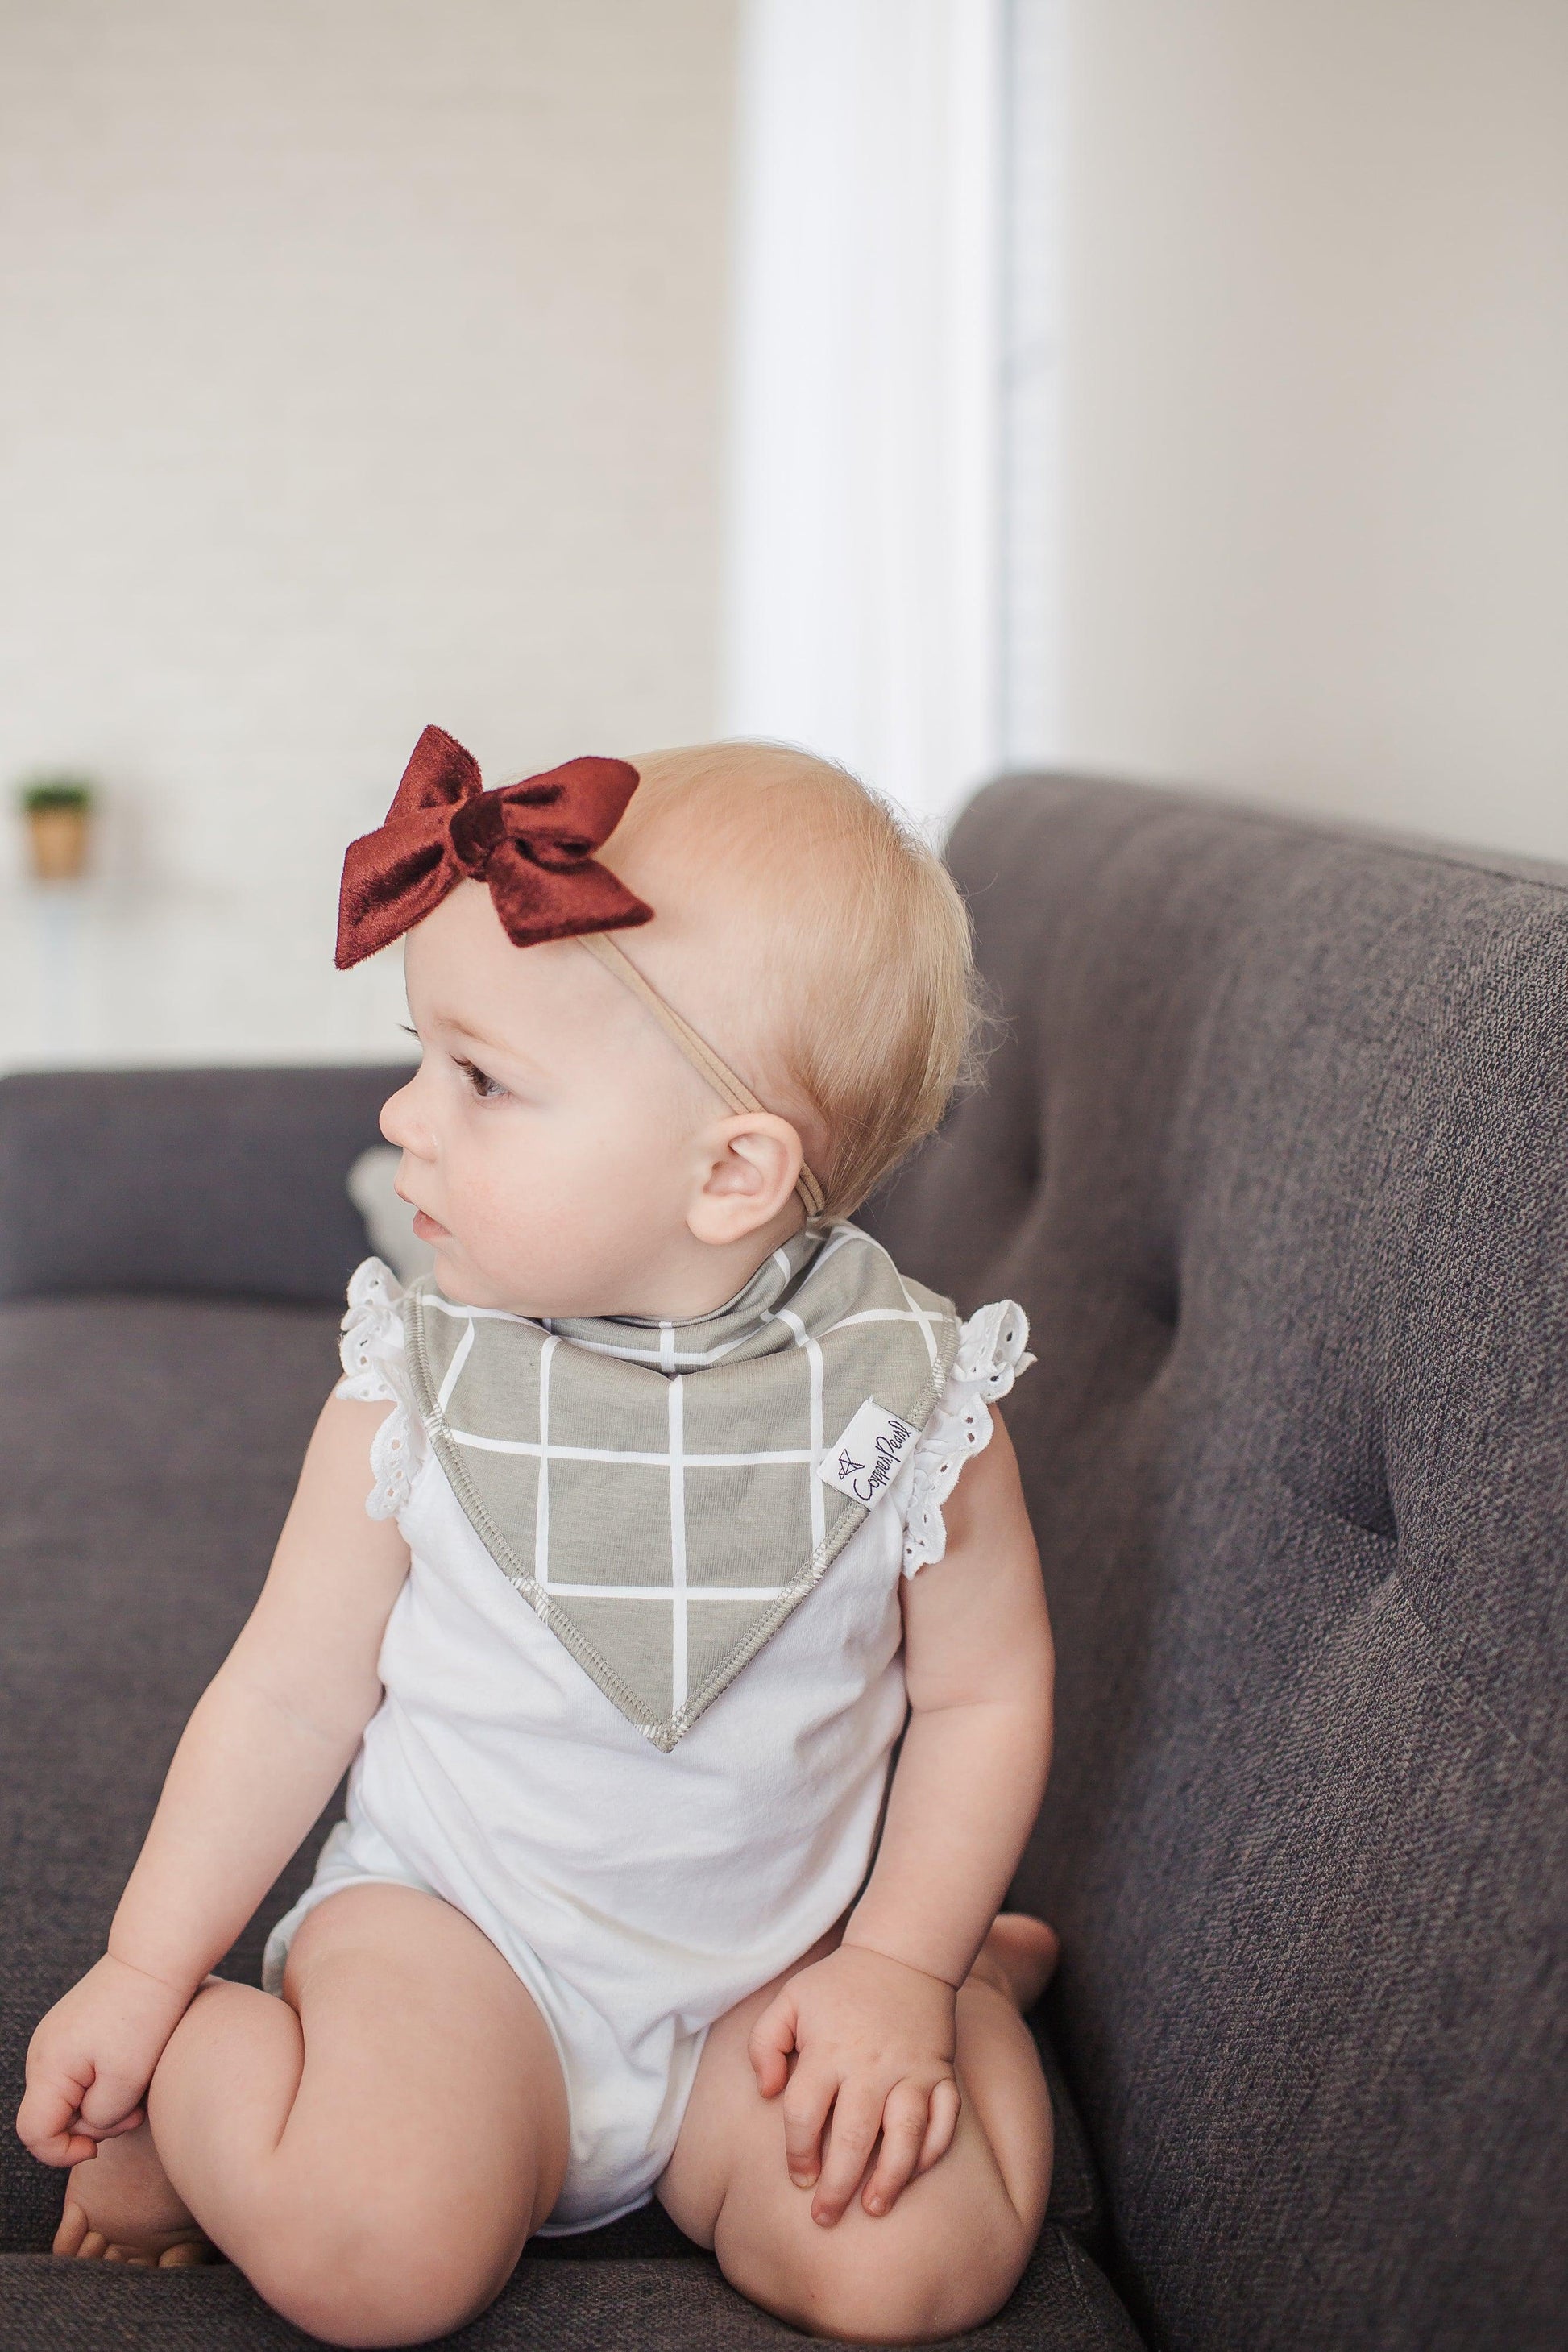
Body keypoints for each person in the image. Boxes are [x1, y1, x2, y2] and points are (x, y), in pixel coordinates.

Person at [17, 729, 1058, 2347]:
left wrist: (899, 1966)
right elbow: (290, 1696)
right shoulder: (416, 1381)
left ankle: (969, 1983)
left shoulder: (910, 1396)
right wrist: (150, 1971)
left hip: (767, 1981)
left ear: (729, 1172)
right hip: (461, 1946)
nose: (402, 1113)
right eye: (422, 1052)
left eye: (481, 1080)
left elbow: (983, 1696)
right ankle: (203, 2082)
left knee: (900, 2272)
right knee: (380, 2262)